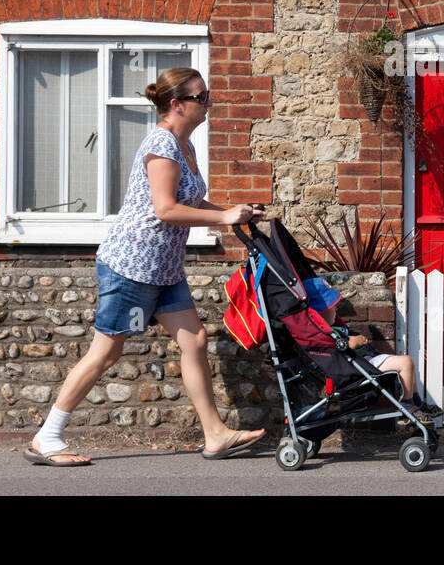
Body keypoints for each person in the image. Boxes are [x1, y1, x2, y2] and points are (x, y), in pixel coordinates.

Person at [26, 67, 267, 465]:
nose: (209, 103)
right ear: (177, 105)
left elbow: (188, 201)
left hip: (164, 268)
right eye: (201, 96)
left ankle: (215, 434)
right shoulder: (162, 145)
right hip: (132, 265)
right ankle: (46, 437)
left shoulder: (184, 145)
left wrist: (232, 212)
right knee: (106, 352)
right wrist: (225, 220)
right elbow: (167, 209)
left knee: (194, 340)